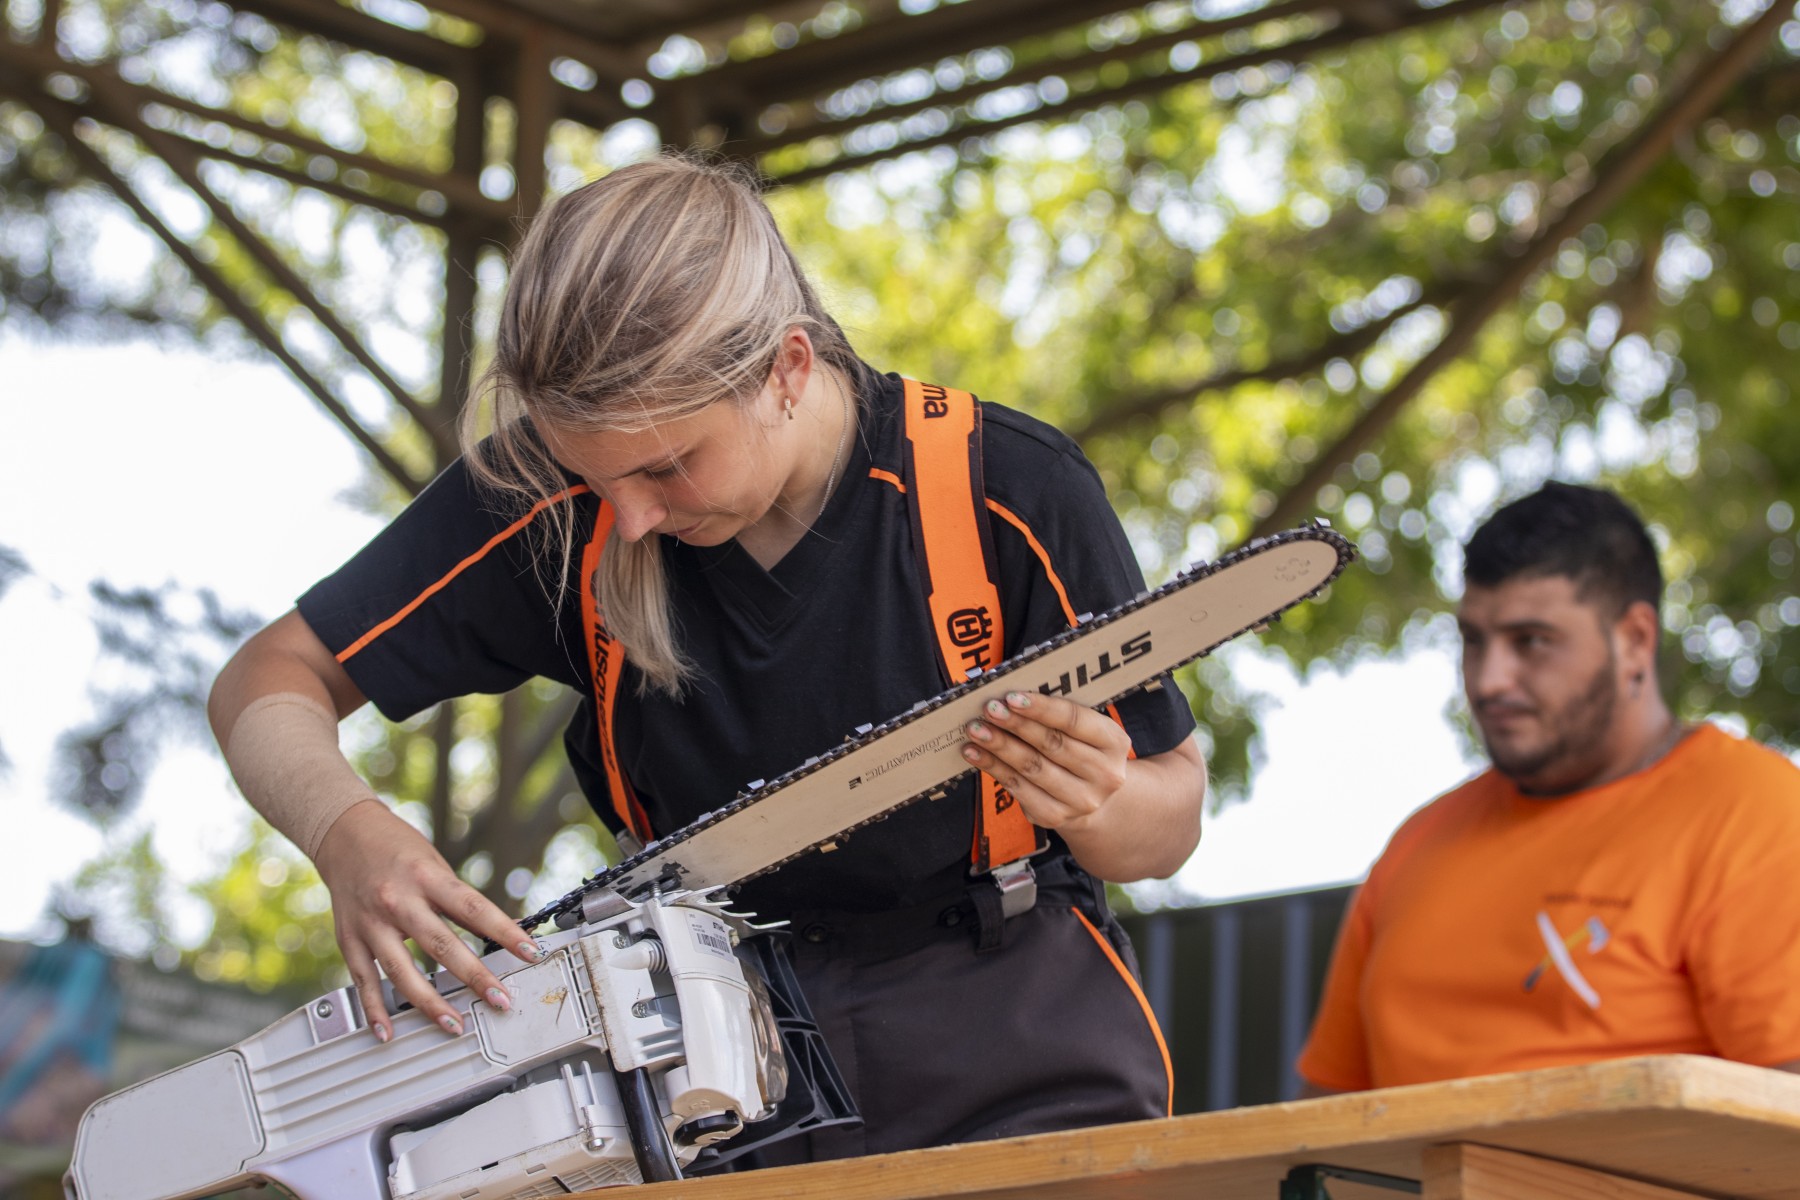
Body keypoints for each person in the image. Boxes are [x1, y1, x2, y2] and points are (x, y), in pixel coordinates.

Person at [207, 154, 1207, 1161]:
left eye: (667, 466)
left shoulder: (1009, 489)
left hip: (1021, 1052)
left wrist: (1099, 799)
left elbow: (1167, 828)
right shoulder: (559, 497)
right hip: (720, 1077)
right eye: (598, 481)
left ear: (789, 369)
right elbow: (265, 679)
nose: (631, 516)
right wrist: (347, 833)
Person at [1297, 482, 1800, 1095]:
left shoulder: (1757, 813)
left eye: (1531, 641)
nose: (1489, 681)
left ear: (1635, 640)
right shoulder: (1417, 845)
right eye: (1473, 641)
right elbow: (1318, 1139)